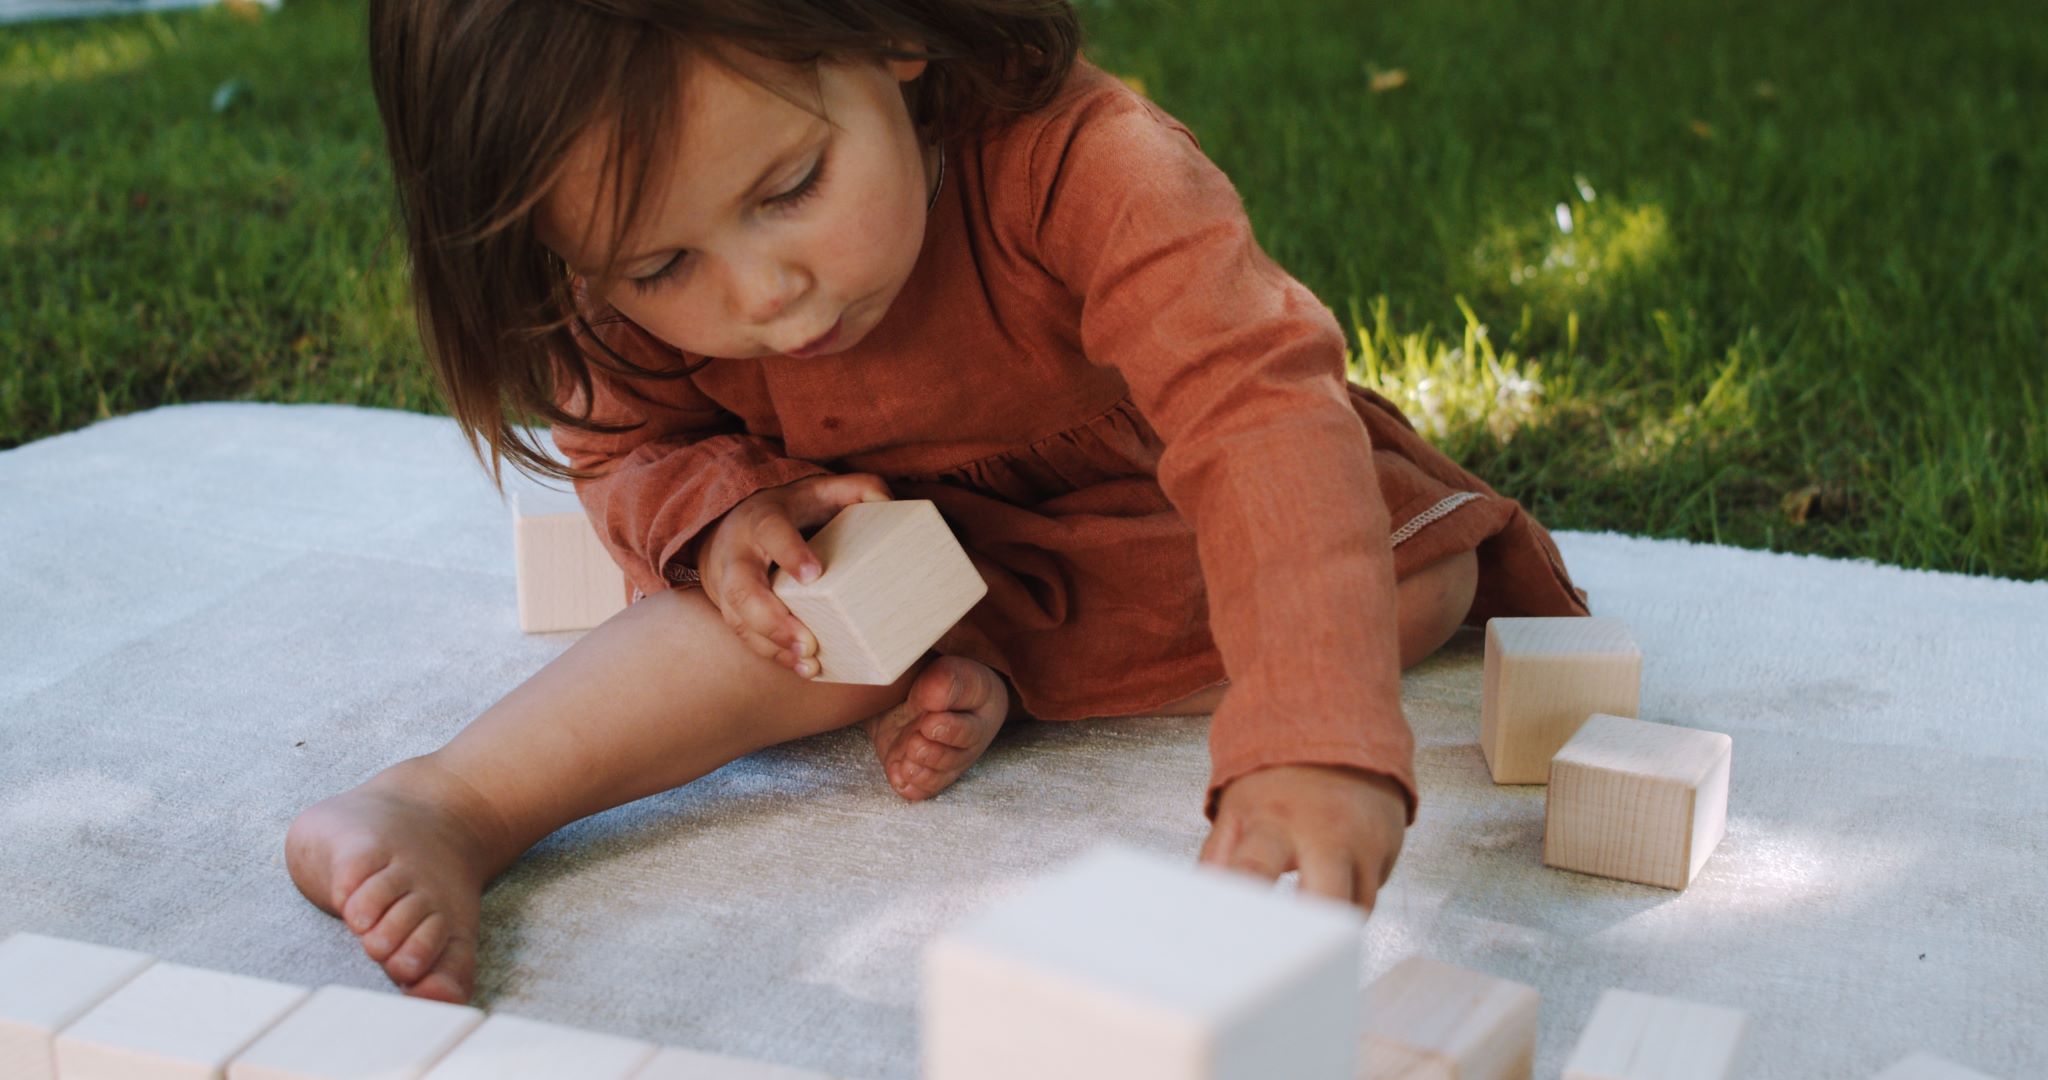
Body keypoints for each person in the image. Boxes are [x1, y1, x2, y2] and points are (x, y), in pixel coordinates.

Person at [285, 0, 1589, 1006]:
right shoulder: (614, 269)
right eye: (666, 265)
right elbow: (625, 440)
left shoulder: (1091, 167)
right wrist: (725, 514)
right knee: (786, 627)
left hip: (1151, 514)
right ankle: (451, 799)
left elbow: (1255, 411)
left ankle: (1002, 660)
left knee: (1418, 576)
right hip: (885, 549)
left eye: (789, 191)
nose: (763, 295)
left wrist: (1311, 726)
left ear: (891, 32)